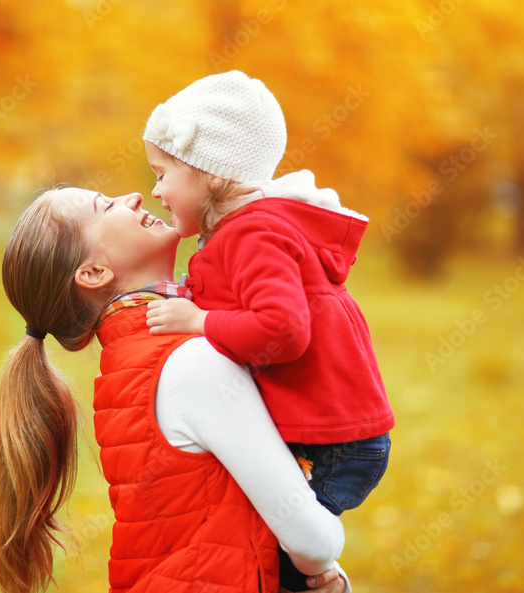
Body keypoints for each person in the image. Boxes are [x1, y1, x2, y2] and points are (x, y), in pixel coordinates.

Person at [0, 187, 352, 593]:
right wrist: (326, 577)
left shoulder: (132, 361)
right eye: (106, 206)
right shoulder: (191, 362)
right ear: (93, 273)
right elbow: (313, 541)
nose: (135, 196)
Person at [140, 70, 394, 591]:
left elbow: (282, 330)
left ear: (205, 172)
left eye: (162, 173)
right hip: (331, 438)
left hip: (339, 447)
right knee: (271, 548)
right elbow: (244, 301)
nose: (155, 189)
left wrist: (199, 321)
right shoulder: (245, 231)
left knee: (278, 560)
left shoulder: (255, 232)